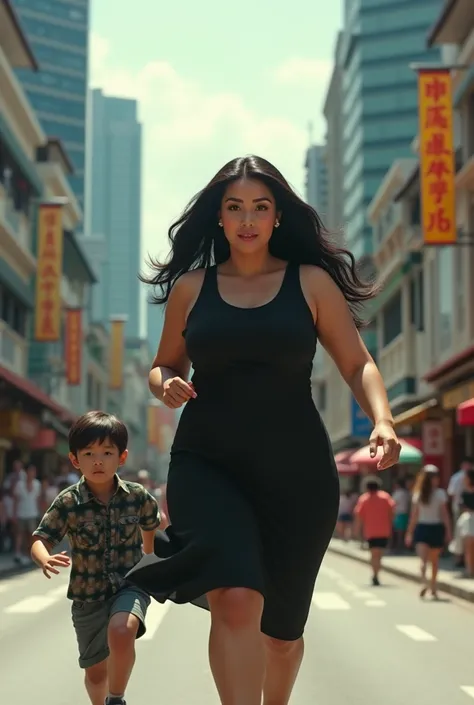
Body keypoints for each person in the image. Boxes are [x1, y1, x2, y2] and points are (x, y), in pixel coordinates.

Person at [127, 155, 401, 705]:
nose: (247, 219)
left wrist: (384, 420)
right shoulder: (191, 287)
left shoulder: (311, 282)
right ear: (220, 218)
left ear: (278, 216)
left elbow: (356, 362)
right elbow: (164, 364)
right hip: (207, 462)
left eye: (260, 207)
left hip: (296, 473)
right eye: (234, 208)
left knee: (281, 635)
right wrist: (165, 385)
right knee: (233, 599)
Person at [30, 411, 161, 705]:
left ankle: (117, 699)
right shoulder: (67, 501)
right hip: (87, 597)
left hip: (130, 585)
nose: (98, 460)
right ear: (75, 460)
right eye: (88, 453)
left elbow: (152, 525)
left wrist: (149, 562)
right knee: (95, 675)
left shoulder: (137, 496)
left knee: (122, 629)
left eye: (107, 452)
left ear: (121, 457)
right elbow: (41, 538)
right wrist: (44, 559)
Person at [406, 464, 452, 599]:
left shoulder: (418, 493)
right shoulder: (440, 493)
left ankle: (424, 583)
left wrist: (409, 532)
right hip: (435, 528)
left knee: (423, 561)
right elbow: (444, 515)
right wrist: (448, 531)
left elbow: (414, 516)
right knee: (435, 561)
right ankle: (433, 588)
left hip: (422, 528)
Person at [353, 476, 395, 585]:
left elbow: (359, 516)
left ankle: (375, 574)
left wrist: (357, 531)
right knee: (380, 554)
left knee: (373, 554)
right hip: (384, 530)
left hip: (370, 531)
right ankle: (376, 573)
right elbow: (392, 512)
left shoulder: (364, 499)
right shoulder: (385, 497)